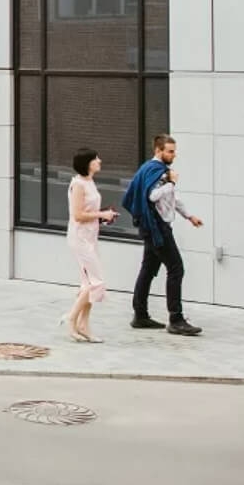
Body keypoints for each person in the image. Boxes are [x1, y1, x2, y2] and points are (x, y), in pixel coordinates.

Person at [122, 134, 204, 336]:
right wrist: (171, 182)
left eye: (174, 151)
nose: (174, 155)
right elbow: (153, 196)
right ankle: (176, 319)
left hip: (150, 227)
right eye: (170, 151)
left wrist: (189, 216)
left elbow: (171, 199)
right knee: (176, 268)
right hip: (157, 227)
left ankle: (140, 315)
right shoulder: (157, 171)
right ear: (158, 150)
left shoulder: (149, 169)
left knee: (148, 269)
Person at [62, 148, 118, 343]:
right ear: (87, 163)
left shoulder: (89, 182)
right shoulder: (78, 184)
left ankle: (83, 325)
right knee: (97, 282)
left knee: (88, 284)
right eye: (95, 159)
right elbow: (77, 215)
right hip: (80, 239)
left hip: (90, 237)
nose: (99, 161)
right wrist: (102, 214)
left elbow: (88, 211)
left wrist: (103, 216)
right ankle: (72, 318)